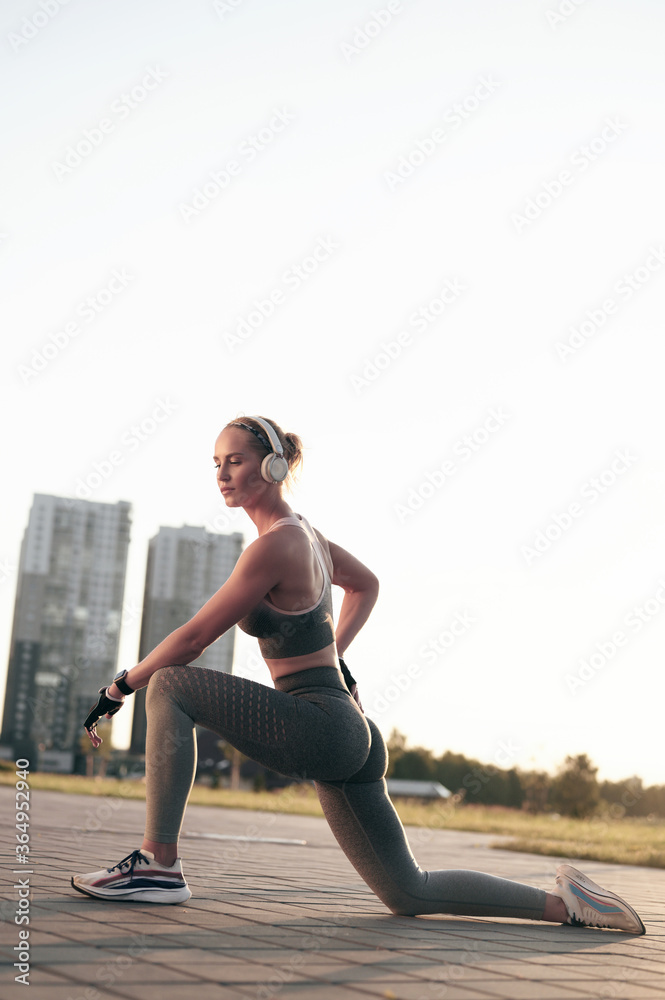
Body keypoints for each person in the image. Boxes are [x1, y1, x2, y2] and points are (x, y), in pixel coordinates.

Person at [72, 416, 646, 935]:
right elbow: (366, 583)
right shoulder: (310, 538)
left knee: (169, 684)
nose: (222, 474)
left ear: (272, 467)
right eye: (216, 463)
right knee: (407, 892)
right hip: (348, 729)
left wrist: (120, 685)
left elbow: (194, 639)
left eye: (236, 460)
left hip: (321, 725)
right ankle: (568, 906)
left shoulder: (276, 545)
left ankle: (158, 865)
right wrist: (334, 659)